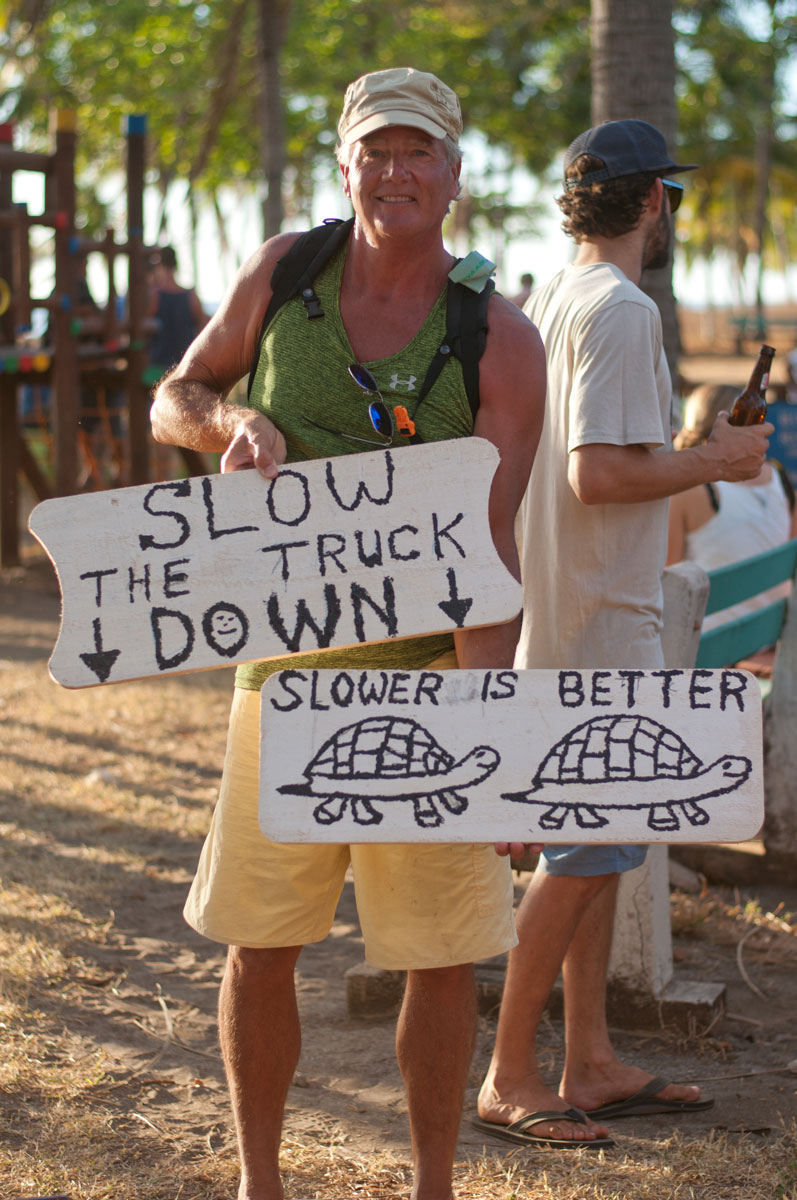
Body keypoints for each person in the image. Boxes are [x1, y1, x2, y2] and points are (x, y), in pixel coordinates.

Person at [150, 66, 546, 1200]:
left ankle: (430, 1186)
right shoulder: (283, 274)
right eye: (374, 150)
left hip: (428, 689)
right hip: (279, 679)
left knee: (440, 955)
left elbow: (491, 553)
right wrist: (229, 422)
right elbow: (173, 393)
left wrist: (495, 753)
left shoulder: (497, 340)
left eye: (416, 151)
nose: (395, 171)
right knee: (260, 943)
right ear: (344, 166)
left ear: (454, 175)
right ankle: (259, 1184)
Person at [475, 119, 773, 1150]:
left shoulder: (549, 299)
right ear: (653, 202)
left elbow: (585, 462)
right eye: (672, 200)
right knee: (587, 848)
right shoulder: (622, 308)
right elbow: (596, 475)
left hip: (558, 606)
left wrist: (698, 454)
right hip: (600, 615)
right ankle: (511, 1074)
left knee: (593, 847)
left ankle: (587, 1059)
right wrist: (719, 463)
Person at [667, 382, 796, 668]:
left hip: (710, 654)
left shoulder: (690, 491)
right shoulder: (780, 479)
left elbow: (666, 590)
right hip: (768, 641)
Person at [147, 244, 208, 376]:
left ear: (159, 266)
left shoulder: (155, 297)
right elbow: (203, 329)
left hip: (159, 370)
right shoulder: (191, 296)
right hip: (186, 367)